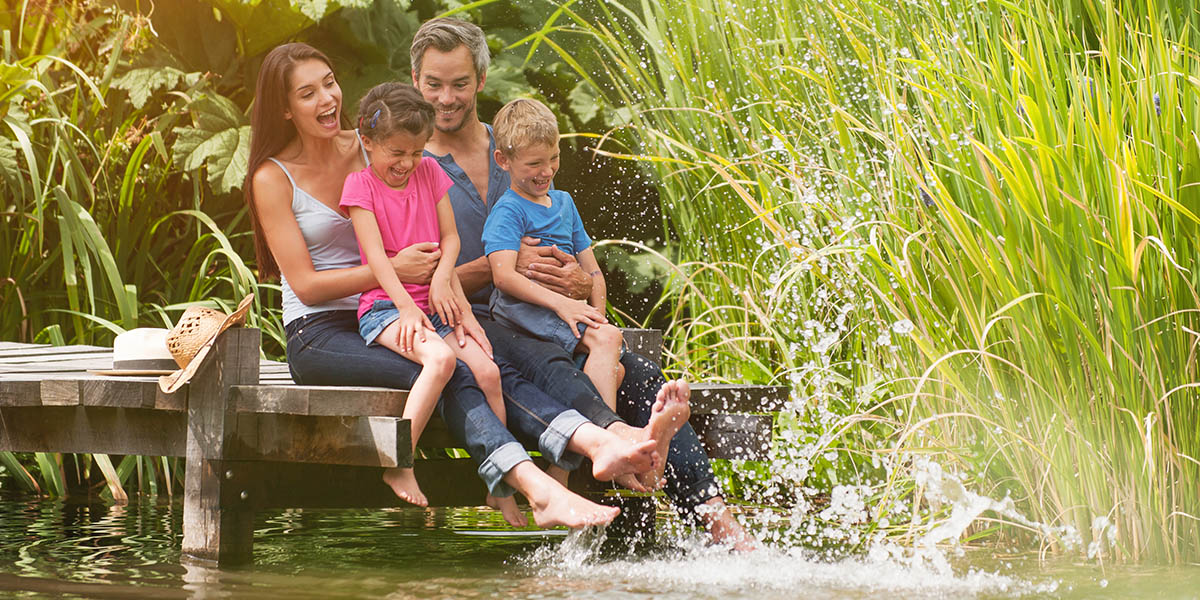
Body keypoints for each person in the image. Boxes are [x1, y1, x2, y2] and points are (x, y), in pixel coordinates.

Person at [244, 42, 671, 530]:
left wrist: (448, 279)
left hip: (406, 305)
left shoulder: (375, 143)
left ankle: (596, 443)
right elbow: (306, 285)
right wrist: (399, 270)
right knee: (452, 372)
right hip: (322, 331)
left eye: (329, 82)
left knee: (487, 364)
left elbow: (430, 213)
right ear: (283, 107)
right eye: (307, 93)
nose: (326, 99)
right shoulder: (272, 177)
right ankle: (538, 483)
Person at [411, 17, 756, 550]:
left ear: (481, 79)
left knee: (638, 373)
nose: (446, 98)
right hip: (468, 324)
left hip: (541, 313)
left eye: (459, 83)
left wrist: (576, 278)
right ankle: (613, 458)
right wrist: (500, 266)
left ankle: (718, 524)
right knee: (560, 368)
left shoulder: (519, 145)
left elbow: (564, 244)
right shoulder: (408, 167)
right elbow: (413, 278)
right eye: (434, 84)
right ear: (415, 81)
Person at [339, 82, 504, 508]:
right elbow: (377, 261)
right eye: (397, 152)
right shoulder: (360, 188)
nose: (408, 163)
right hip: (385, 308)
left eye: (416, 151)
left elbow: (450, 240)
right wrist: (408, 308)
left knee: (488, 373)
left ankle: (497, 480)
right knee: (442, 359)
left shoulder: (431, 171)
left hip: (433, 302)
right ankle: (398, 461)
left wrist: (440, 280)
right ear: (368, 141)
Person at [483, 98, 625, 414]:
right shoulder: (508, 211)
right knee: (608, 340)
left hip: (561, 311)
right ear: (503, 160)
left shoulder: (564, 204)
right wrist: (564, 304)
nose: (546, 171)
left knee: (616, 367)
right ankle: (610, 437)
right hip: (524, 312)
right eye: (534, 163)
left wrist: (596, 314)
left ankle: (568, 463)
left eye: (554, 158)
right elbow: (502, 276)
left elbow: (593, 273)